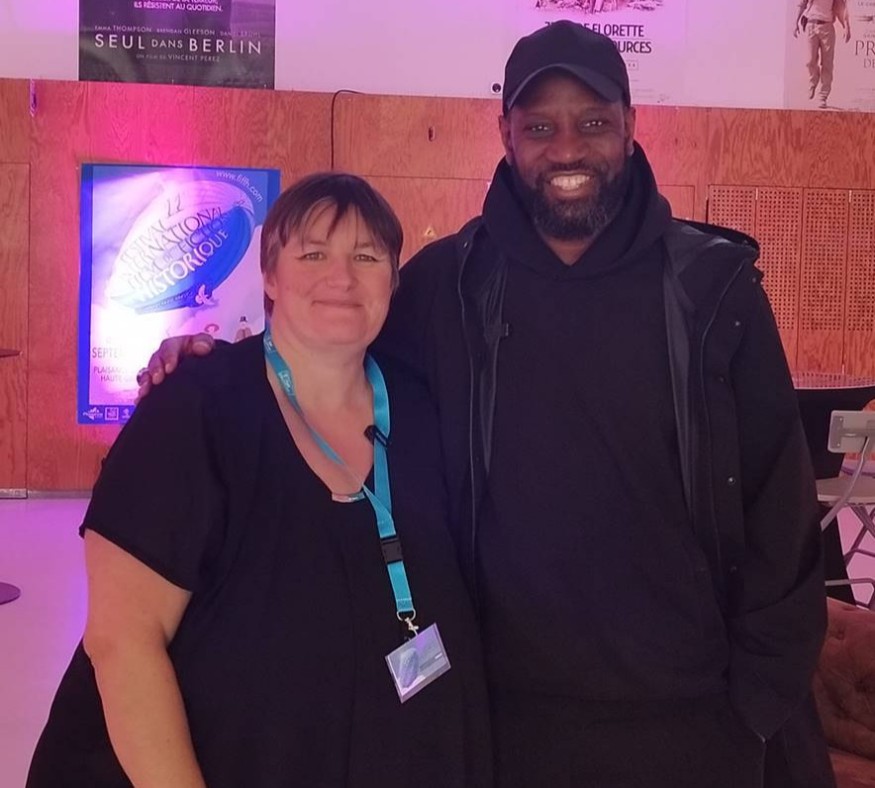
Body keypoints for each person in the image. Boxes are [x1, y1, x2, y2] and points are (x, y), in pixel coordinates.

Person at [138, 22, 832, 788]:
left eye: (592, 123)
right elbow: (332, 360)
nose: (565, 149)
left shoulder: (713, 291)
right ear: (505, 134)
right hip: (499, 721)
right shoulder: (446, 285)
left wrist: (751, 709)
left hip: (688, 719)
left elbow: (780, 509)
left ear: (630, 126)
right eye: (539, 127)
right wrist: (220, 366)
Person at [27, 173, 492, 788]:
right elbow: (122, 642)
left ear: (393, 281)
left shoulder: (422, 408)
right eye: (313, 255)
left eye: (366, 257)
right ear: (269, 276)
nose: (341, 278)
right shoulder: (194, 407)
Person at [794, 0, 852, 109]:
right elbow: (802, 4)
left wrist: (846, 27)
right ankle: (813, 81)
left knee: (827, 64)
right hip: (811, 25)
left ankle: (823, 96)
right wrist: (795, 23)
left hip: (827, 27)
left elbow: (841, 8)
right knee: (810, 60)